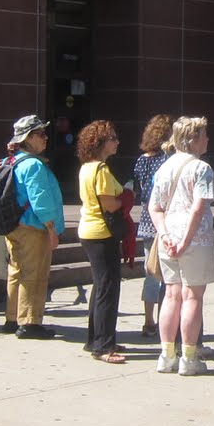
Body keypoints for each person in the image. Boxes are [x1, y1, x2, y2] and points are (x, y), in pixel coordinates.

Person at [150, 116, 214, 376]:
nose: (207, 139)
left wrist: (166, 234)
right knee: (192, 296)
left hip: (168, 235)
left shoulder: (164, 167)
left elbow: (154, 207)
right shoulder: (201, 168)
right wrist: (185, 239)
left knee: (171, 294)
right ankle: (189, 357)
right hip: (195, 238)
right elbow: (199, 206)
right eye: (204, 134)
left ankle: (166, 354)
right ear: (193, 140)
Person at [1, 115, 66, 339]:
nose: (45, 138)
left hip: (13, 225)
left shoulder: (10, 161)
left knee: (16, 271)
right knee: (35, 273)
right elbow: (41, 200)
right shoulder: (34, 165)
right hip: (33, 227)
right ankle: (29, 322)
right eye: (40, 134)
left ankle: (12, 317)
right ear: (28, 138)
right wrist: (51, 229)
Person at [76, 120, 128, 363]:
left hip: (89, 229)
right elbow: (109, 204)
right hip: (102, 232)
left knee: (100, 286)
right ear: (100, 143)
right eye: (113, 138)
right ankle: (104, 346)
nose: (117, 142)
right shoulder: (102, 170)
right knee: (108, 288)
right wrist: (127, 197)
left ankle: (95, 339)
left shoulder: (87, 167)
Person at [134, 115, 174, 338]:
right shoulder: (166, 159)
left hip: (146, 219)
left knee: (150, 272)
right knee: (166, 274)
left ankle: (148, 320)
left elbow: (140, 188)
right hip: (163, 219)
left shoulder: (141, 160)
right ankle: (164, 320)